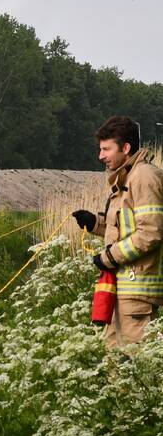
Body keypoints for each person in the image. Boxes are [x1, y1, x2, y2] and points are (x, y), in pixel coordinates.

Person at [73, 115, 163, 347]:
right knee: (114, 367)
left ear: (126, 148)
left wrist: (108, 258)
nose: (100, 156)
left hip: (137, 292)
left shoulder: (143, 176)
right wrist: (94, 223)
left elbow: (150, 233)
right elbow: (126, 228)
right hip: (122, 290)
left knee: (135, 366)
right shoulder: (128, 176)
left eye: (106, 149)